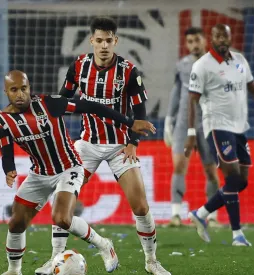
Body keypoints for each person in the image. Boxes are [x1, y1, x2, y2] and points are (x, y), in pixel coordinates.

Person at [35, 17, 170, 275]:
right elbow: (63, 101)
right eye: (99, 40)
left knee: (140, 206)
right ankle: (55, 260)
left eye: (109, 40)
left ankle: (152, 262)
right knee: (61, 204)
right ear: (92, 41)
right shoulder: (78, 67)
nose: (104, 45)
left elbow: (140, 110)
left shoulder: (129, 71)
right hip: (87, 144)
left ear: (115, 41)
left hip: (120, 145)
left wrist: (133, 142)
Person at [0, 70, 156, 275]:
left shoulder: (50, 104)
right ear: (6, 92)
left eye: (24, 89)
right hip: (39, 174)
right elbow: (6, 151)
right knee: (16, 223)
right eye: (14, 90)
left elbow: (91, 106)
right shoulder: (2, 121)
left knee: (61, 217)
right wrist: (9, 170)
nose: (20, 94)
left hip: (68, 167)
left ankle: (104, 245)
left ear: (30, 88)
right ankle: (13, 270)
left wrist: (129, 122)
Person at [185, 24, 254, 246]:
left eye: (225, 37)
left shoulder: (239, 60)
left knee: (242, 181)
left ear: (230, 38)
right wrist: (191, 133)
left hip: (239, 127)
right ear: (212, 38)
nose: (222, 40)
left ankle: (201, 213)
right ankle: (237, 234)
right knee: (232, 178)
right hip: (217, 126)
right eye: (218, 36)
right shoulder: (202, 66)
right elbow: (192, 100)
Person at [164, 27, 221, 227]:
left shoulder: (216, 63)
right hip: (182, 124)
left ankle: (212, 216)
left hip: (208, 124)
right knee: (179, 166)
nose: (194, 44)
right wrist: (168, 120)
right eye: (190, 41)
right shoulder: (182, 65)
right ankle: (176, 215)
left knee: (211, 170)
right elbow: (176, 93)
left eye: (197, 39)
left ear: (205, 40)